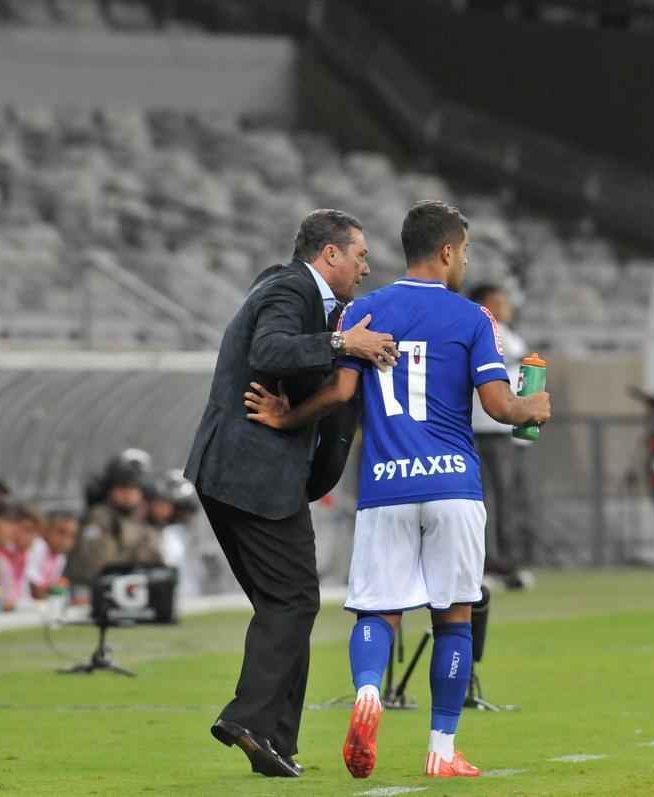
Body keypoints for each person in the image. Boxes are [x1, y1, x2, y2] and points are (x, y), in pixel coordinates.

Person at [244, 201, 551, 778]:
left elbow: (337, 394)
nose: (465, 261)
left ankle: (366, 695)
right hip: (452, 485)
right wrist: (530, 407)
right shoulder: (472, 319)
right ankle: (440, 749)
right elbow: (497, 405)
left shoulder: (364, 309)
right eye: (465, 251)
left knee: (378, 612)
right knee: (455, 616)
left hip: (384, 486)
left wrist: (287, 418)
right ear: (446, 251)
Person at [184, 208, 399, 779]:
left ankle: (276, 739)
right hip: (254, 472)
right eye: (359, 255)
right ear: (330, 255)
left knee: (284, 604)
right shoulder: (291, 289)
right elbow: (270, 350)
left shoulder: (287, 290)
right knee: (295, 600)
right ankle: (249, 718)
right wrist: (341, 341)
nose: (365, 266)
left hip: (233, 472)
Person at [467, 283, 533, 588]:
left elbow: (523, 381)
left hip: (503, 428)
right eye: (497, 300)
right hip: (480, 426)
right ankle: (486, 561)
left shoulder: (510, 336)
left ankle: (506, 561)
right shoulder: (479, 329)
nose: (504, 305)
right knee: (483, 501)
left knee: (505, 499)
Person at [64, 458, 163, 586]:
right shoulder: (99, 516)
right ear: (111, 490)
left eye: (134, 488)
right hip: (94, 589)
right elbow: (95, 564)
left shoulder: (140, 520)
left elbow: (153, 561)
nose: (128, 494)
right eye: (122, 488)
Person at [26, 510, 77, 599]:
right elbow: (35, 587)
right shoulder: (37, 546)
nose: (66, 541)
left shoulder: (61, 557)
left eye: (72, 536)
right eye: (61, 532)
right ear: (46, 530)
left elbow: (52, 590)